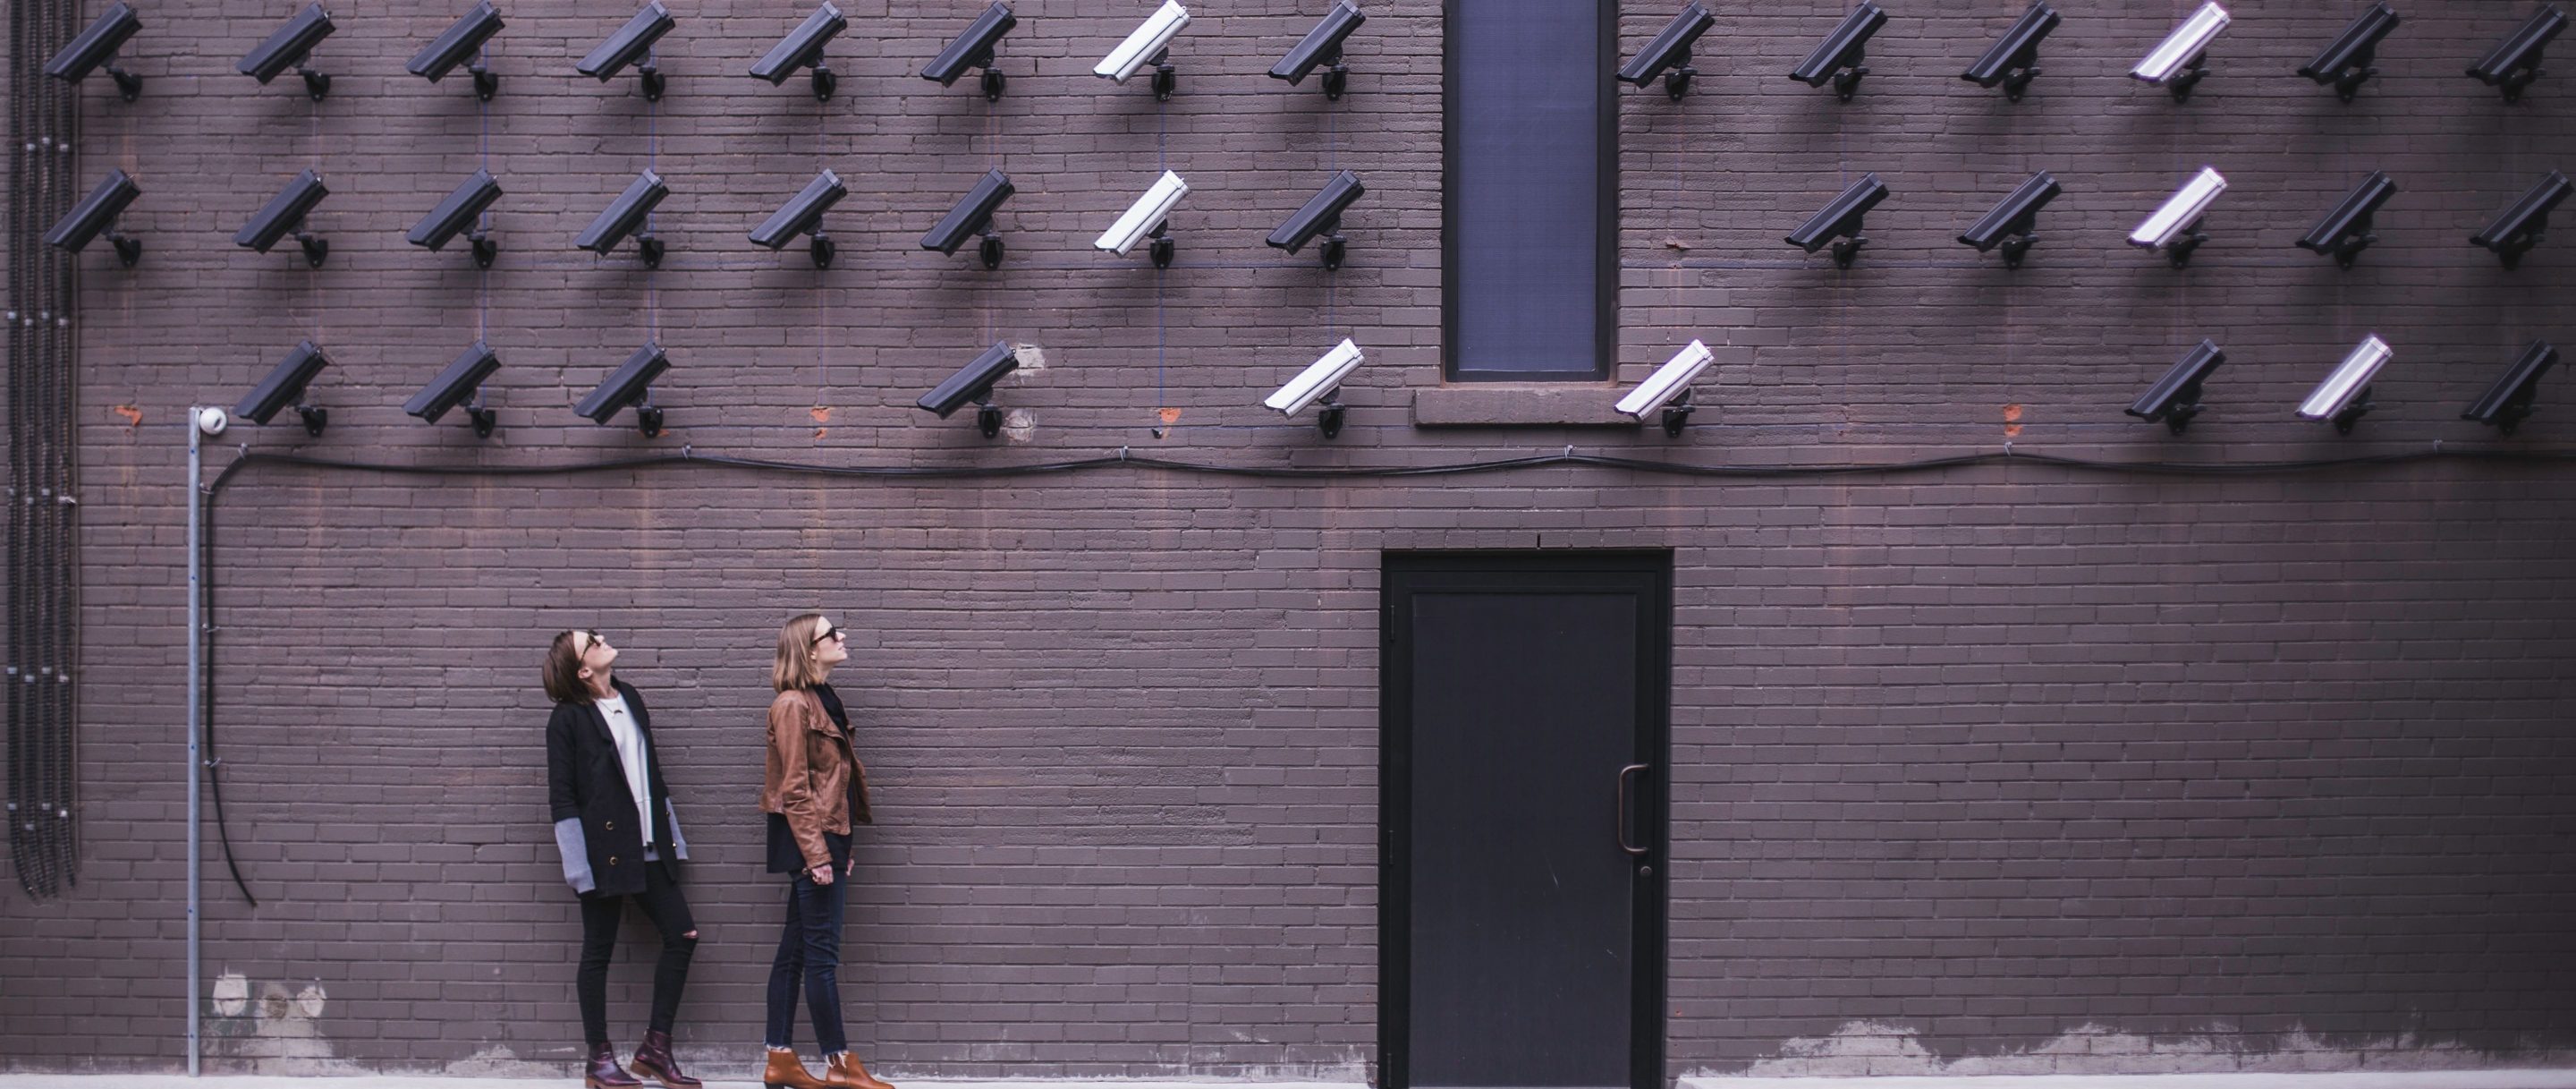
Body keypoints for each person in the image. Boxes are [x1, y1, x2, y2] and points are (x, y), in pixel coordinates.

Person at [544, 628, 702, 1089]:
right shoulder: (567, 720)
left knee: (683, 935)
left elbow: (652, 774)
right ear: (582, 669)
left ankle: (655, 1048)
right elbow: (563, 799)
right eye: (591, 640)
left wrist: (674, 838)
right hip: (602, 854)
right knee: (598, 951)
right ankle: (599, 1059)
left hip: (650, 845)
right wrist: (578, 867)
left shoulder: (630, 697)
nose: (601, 638)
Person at [758, 613, 893, 1089]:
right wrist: (818, 854)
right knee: (821, 957)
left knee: (794, 954)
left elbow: (835, 785)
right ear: (809, 649)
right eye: (831, 634)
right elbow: (795, 788)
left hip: (826, 838)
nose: (842, 637)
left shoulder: (823, 698)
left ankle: (779, 1059)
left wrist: (842, 843)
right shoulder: (793, 705)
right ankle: (839, 1063)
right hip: (809, 844)